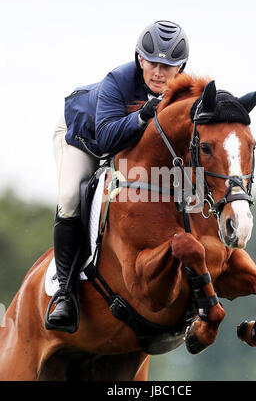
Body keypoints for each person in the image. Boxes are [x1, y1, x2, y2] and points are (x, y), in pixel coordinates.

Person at [46, 20, 189, 333]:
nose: (158, 73)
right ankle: (65, 293)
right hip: (83, 137)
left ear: (181, 67)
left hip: (124, 149)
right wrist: (142, 115)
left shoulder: (184, 93)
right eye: (152, 63)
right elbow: (108, 139)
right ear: (140, 59)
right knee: (72, 195)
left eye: (168, 66)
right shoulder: (118, 80)